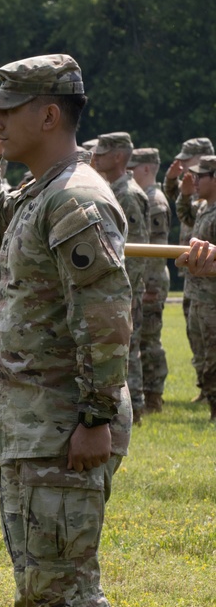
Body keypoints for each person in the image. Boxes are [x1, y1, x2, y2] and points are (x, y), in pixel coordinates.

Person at [0, 54, 131, 607]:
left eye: (7, 110)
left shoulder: (75, 199)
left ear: (50, 114)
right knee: (44, 590)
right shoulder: (42, 191)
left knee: (65, 596)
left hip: (64, 424)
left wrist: (94, 417)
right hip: (38, 423)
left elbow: (105, 318)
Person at [92, 132, 149, 423]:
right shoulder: (113, 189)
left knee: (129, 345)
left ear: (117, 156)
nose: (96, 155)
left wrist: (127, 290)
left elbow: (137, 250)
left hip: (125, 287)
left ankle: (136, 408)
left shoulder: (128, 193)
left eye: (102, 151)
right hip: (114, 286)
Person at [165, 137, 213, 401]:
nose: (183, 165)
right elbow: (182, 209)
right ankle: (205, 387)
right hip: (193, 273)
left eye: (188, 161)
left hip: (208, 278)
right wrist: (175, 184)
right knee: (196, 332)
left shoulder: (208, 187)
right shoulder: (198, 194)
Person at [129, 148, 171, 414]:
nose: (128, 171)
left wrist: (151, 285)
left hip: (152, 278)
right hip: (148, 278)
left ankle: (153, 396)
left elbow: (156, 248)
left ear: (146, 169)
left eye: (133, 167)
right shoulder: (146, 197)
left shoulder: (155, 201)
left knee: (149, 341)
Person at [180, 157, 216, 421]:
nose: (195, 181)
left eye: (200, 176)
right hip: (198, 295)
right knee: (203, 354)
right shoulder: (204, 208)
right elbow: (184, 213)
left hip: (212, 297)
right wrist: (182, 193)